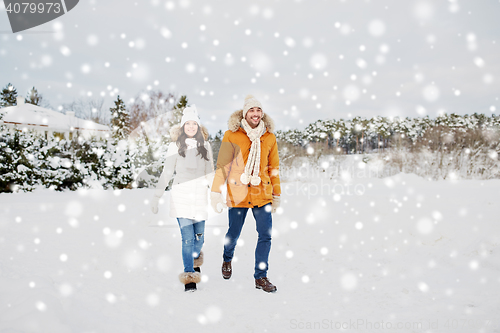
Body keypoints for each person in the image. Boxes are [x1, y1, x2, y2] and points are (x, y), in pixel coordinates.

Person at [210, 95, 281, 293]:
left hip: (262, 193)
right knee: (233, 234)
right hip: (238, 193)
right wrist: (215, 192)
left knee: (265, 235)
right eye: (252, 110)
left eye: (258, 110)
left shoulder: (269, 137)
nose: (256, 114)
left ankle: (261, 277)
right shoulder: (232, 135)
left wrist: (276, 195)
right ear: (245, 113)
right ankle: (227, 259)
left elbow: (274, 168)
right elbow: (222, 166)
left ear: (262, 113)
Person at [151, 106, 214, 292]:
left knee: (199, 238)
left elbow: (210, 173)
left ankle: (194, 259)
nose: (191, 126)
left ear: (198, 126)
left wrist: (218, 196)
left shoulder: (206, 146)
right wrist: (156, 196)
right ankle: (189, 276)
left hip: (200, 198)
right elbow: (167, 173)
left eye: (194, 123)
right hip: (181, 197)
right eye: (188, 123)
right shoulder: (175, 146)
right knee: (187, 239)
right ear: (183, 126)